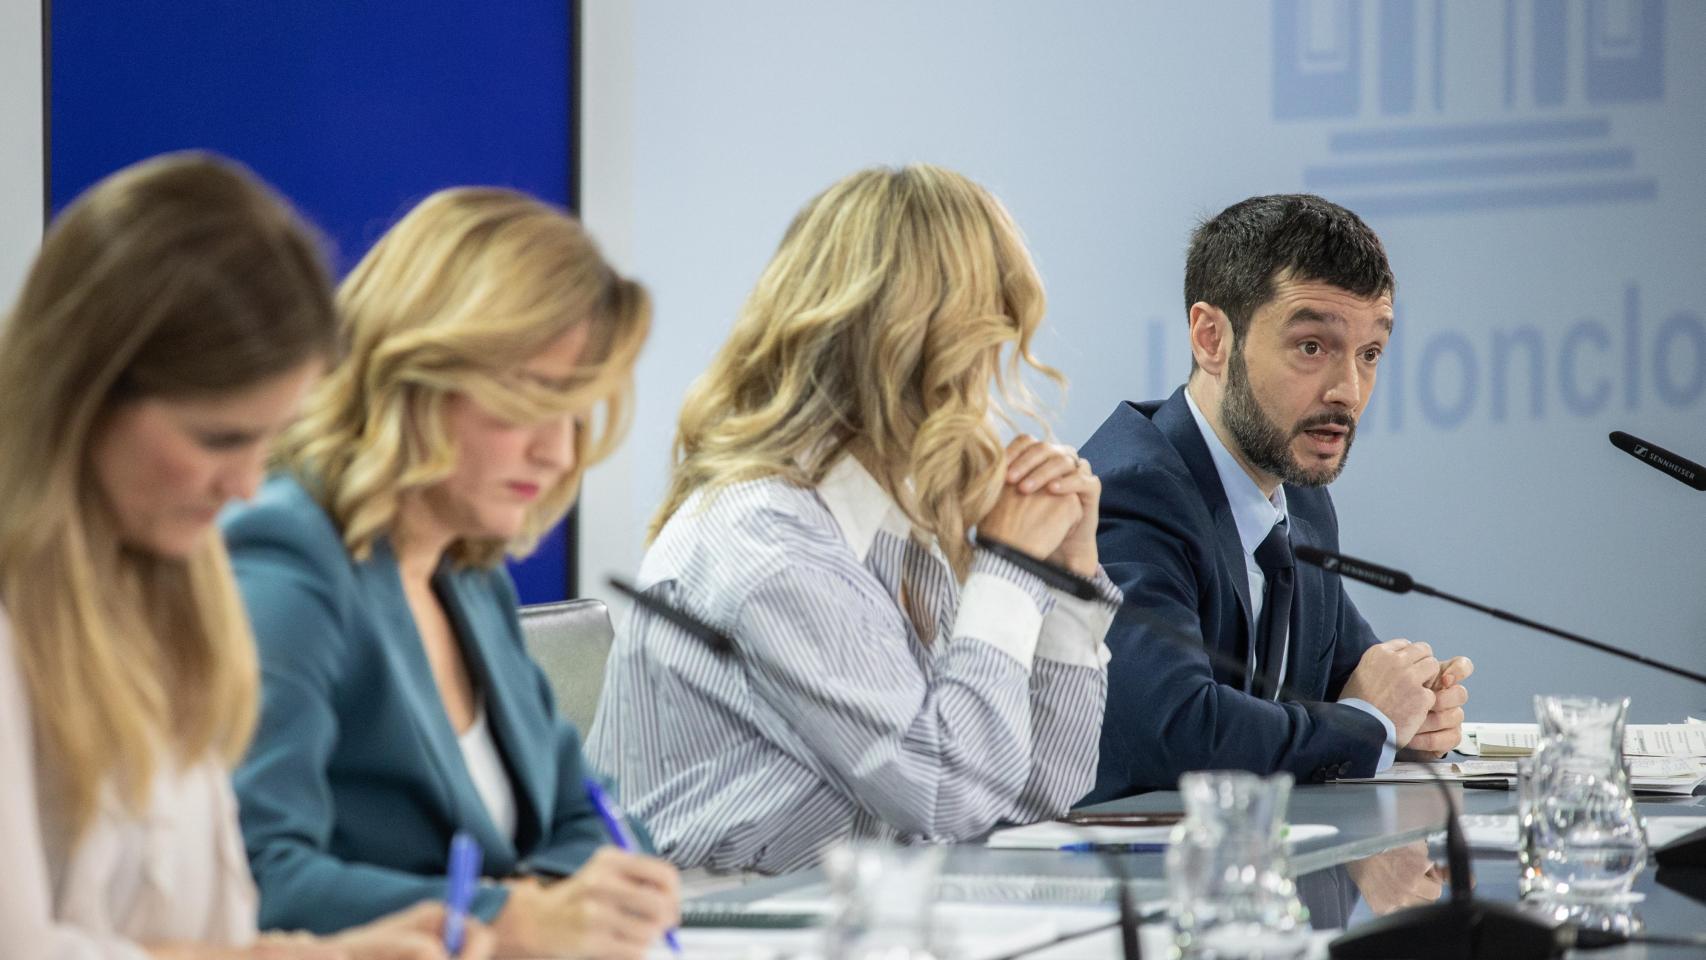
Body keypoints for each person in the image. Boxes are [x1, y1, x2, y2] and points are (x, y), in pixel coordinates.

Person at [0, 152, 493, 958]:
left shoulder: (172, 590)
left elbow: (190, 931)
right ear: (83, 393)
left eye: (267, 440)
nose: (245, 485)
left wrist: (327, 952)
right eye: (218, 439)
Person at [586, 164, 1118, 875]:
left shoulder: (899, 518)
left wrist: (1063, 586)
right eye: (982, 344)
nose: (989, 380)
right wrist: (1010, 573)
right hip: (705, 930)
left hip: (829, 918)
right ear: (913, 350)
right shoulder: (767, 542)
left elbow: (1030, 794)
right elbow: (952, 794)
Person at [224, 187, 679, 957]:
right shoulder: (288, 556)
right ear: (417, 374)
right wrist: (506, 919)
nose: (559, 453)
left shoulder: (466, 575)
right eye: (528, 401)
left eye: (573, 414)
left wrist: (593, 897)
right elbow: (258, 878)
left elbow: (590, 818)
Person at [1081, 194, 1473, 801]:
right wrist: (1369, 727)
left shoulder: (1301, 502)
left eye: (1370, 354)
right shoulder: (1130, 492)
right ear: (1212, 339)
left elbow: (1354, 679)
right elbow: (1177, 730)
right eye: (1312, 347)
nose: (1348, 390)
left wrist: (1418, 706)